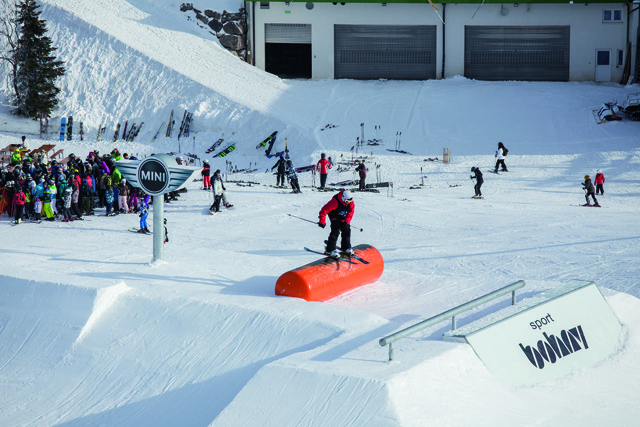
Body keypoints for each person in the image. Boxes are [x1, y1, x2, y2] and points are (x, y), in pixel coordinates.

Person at [318, 189, 355, 257]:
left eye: (350, 201)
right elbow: (324, 210)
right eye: (347, 201)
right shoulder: (335, 202)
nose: (348, 203)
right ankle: (330, 250)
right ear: (343, 198)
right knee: (336, 230)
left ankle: (346, 247)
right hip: (334, 216)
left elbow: (350, 211)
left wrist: (347, 221)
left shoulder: (350, 203)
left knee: (346, 229)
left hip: (342, 216)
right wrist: (322, 221)